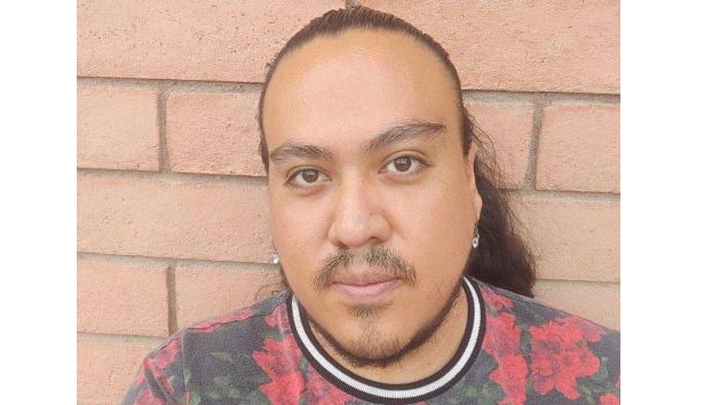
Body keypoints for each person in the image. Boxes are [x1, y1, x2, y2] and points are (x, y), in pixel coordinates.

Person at [121, 6, 620, 405]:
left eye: (403, 163)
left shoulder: (605, 380)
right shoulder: (187, 384)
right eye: (308, 175)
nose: (355, 227)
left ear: (469, 181)